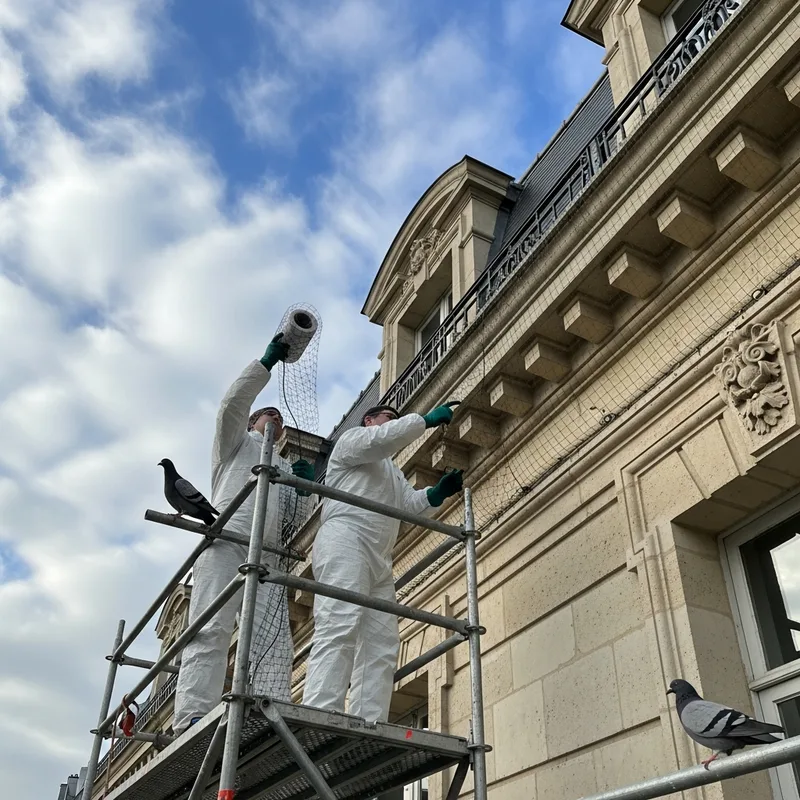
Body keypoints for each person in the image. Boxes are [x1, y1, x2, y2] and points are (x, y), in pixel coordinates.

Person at [172, 333, 315, 734]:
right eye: (269, 414)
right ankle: (192, 717)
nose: (277, 421)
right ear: (253, 422)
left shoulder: (282, 467)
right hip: (227, 539)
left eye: (281, 420)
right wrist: (266, 363)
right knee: (210, 627)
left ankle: (270, 710)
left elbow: (295, 518)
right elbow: (230, 406)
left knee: (273, 640)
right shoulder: (235, 445)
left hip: (266, 554)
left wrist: (304, 487)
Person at [302, 403, 464, 722]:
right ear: (369, 420)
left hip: (378, 555)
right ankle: (320, 710)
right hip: (346, 538)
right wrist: (424, 421)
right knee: (339, 621)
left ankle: (370, 718)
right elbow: (383, 440)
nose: (394, 423)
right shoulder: (353, 440)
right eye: (389, 418)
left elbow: (409, 504)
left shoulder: (391, 472)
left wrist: (436, 494)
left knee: (382, 641)